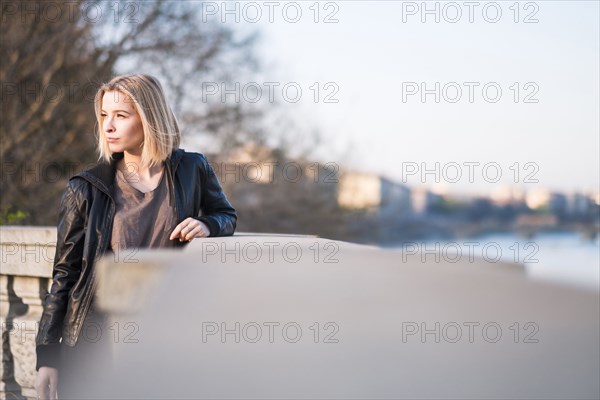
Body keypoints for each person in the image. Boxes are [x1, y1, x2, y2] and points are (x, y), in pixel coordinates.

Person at [34, 74, 237, 399]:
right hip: (97, 342)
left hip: (169, 336)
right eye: (104, 116)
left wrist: (208, 225)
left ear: (148, 117)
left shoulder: (192, 168)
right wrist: (47, 356)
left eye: (120, 115)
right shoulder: (85, 188)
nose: (108, 126)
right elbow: (65, 275)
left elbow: (227, 215)